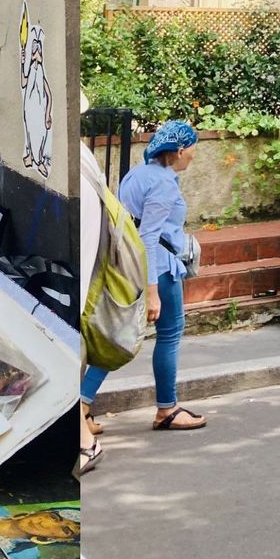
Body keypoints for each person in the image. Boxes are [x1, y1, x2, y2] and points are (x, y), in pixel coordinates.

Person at [79, 119, 206, 459]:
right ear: (180, 150)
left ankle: (84, 405)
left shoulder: (137, 173)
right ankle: (167, 409)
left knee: (119, 335)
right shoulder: (164, 184)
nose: (194, 155)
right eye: (193, 148)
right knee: (169, 335)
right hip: (160, 271)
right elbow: (149, 237)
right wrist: (152, 291)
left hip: (130, 266)